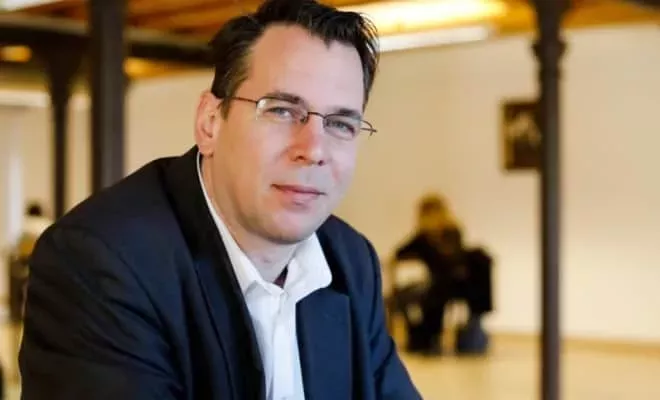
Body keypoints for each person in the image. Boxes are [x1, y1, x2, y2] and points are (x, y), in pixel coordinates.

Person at [19, 1, 421, 399]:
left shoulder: (349, 260)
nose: (313, 150)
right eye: (282, 110)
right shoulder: (100, 264)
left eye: (340, 123)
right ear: (210, 123)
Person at [392, 194, 492, 355]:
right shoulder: (433, 234)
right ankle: (429, 336)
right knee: (415, 295)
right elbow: (399, 253)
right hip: (450, 286)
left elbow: (449, 261)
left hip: (446, 286)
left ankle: (427, 338)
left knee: (425, 296)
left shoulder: (437, 235)